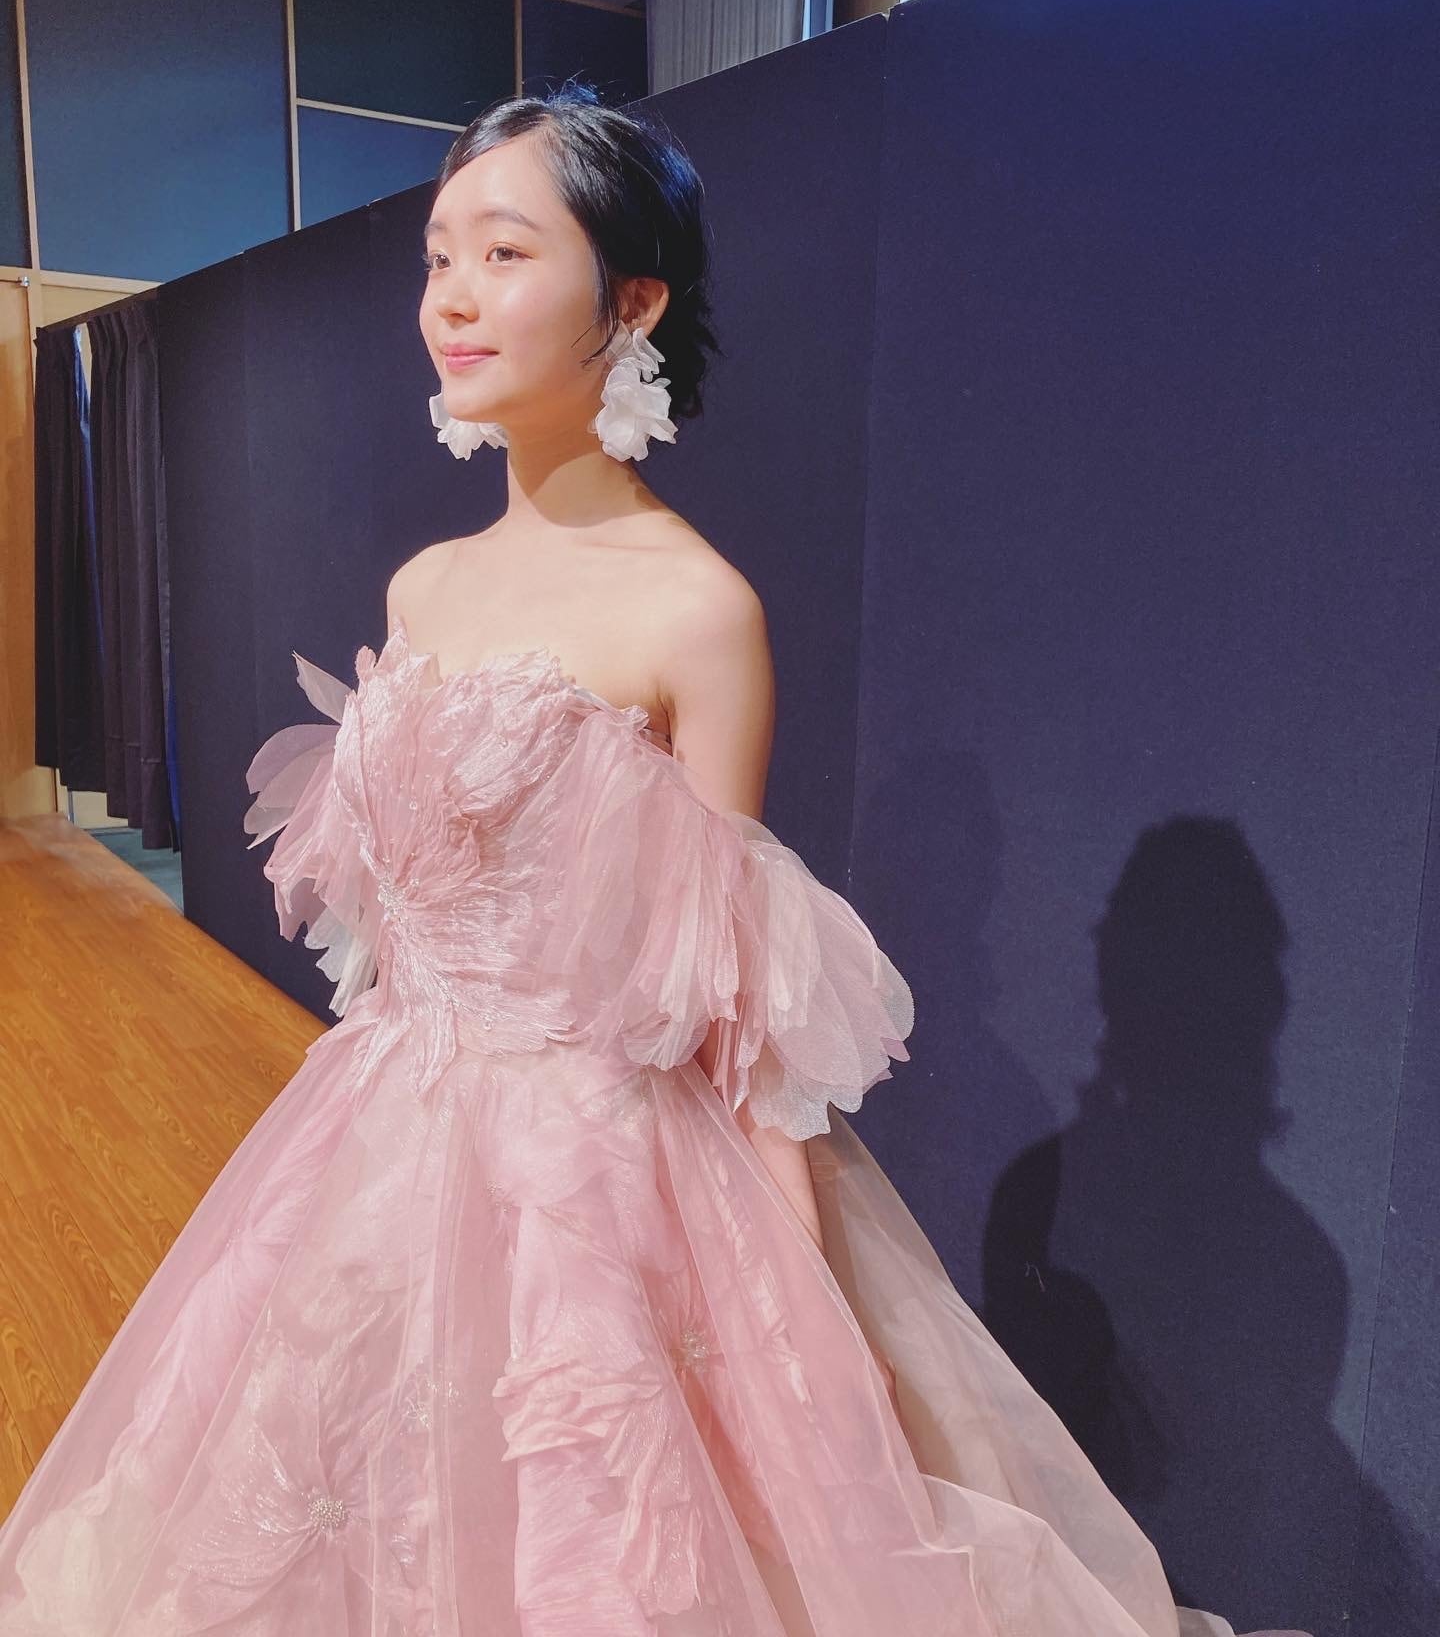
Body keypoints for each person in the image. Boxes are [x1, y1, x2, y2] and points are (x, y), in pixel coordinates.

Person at [0, 84, 1310, 1637]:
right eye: (438, 257)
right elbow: (398, 936)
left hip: (602, 1192)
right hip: (384, 1149)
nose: (453, 298)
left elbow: (734, 1000)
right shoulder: (424, 589)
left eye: (505, 253)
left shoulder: (698, 610)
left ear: (631, 301)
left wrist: (802, 1345)